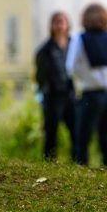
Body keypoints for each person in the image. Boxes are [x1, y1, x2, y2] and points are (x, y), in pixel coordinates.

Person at [67, 3, 107, 168]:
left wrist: (84, 77)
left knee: (83, 137)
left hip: (90, 95)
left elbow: (71, 67)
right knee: (106, 137)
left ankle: (81, 171)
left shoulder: (80, 39)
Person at [34, 11, 76, 161]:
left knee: (76, 132)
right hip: (52, 97)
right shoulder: (44, 50)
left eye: (62, 21)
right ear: (51, 25)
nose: (59, 25)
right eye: (56, 22)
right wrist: (41, 93)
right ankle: (49, 163)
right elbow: (40, 77)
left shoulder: (74, 45)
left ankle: (77, 163)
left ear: (67, 24)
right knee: (51, 133)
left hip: (71, 96)